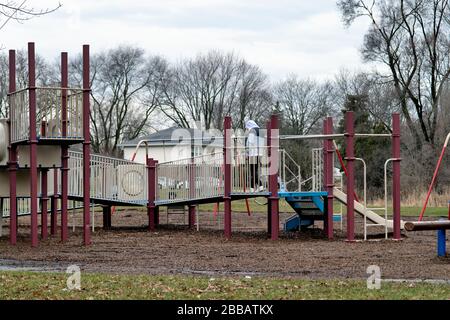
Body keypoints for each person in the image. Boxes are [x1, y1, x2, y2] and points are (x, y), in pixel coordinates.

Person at [245, 120, 265, 192]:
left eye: (247, 128)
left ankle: (260, 186)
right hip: (260, 154)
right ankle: (253, 188)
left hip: (253, 153)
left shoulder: (252, 131)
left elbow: (250, 142)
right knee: (254, 170)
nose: (247, 130)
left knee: (253, 171)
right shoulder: (261, 131)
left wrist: (246, 153)